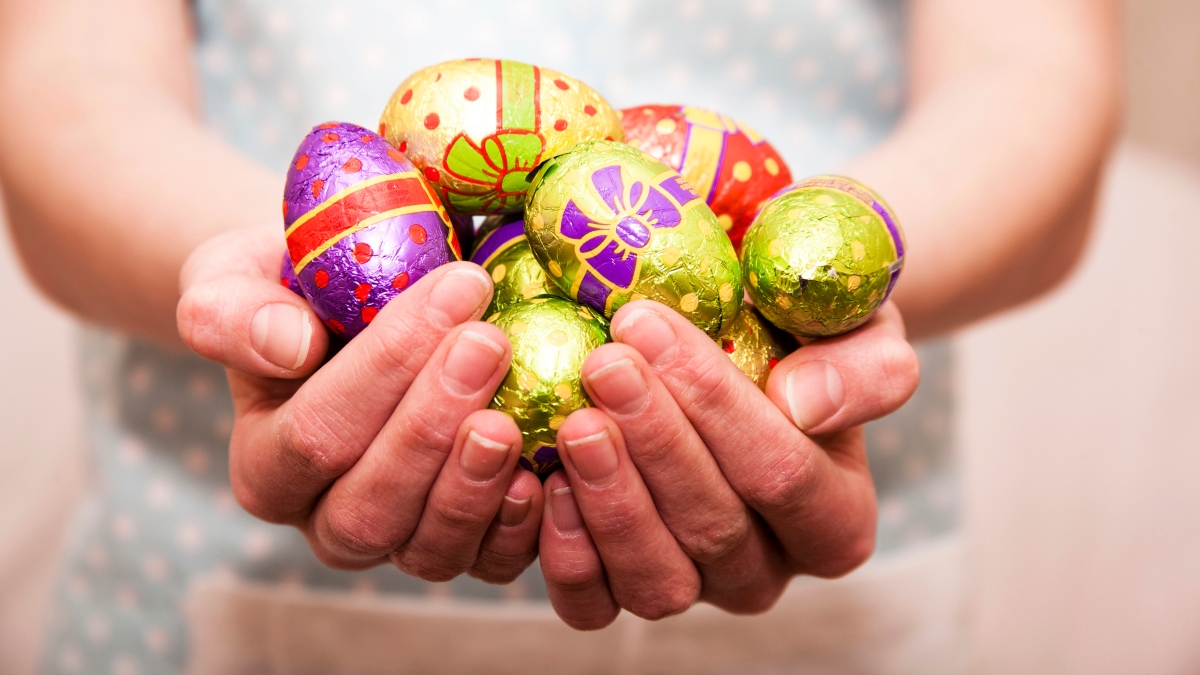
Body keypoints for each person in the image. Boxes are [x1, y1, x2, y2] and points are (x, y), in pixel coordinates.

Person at [0, 0, 1120, 672]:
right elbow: (65, 77)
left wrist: (818, 292)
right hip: (206, 561)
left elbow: (1032, 68)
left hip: (816, 500)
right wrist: (271, 277)